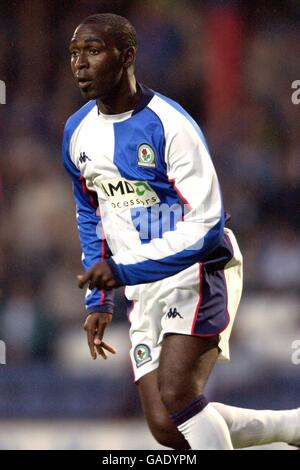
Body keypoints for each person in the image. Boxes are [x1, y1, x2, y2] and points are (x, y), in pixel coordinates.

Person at [63, 13, 300, 450]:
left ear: (127, 56)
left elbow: (208, 227)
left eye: (93, 51)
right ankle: (292, 427)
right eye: (75, 52)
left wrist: (122, 270)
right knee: (166, 426)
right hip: (138, 285)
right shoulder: (76, 132)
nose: (80, 63)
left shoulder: (172, 126)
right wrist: (99, 298)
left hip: (198, 270)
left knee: (178, 394)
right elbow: (90, 213)